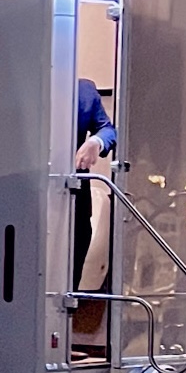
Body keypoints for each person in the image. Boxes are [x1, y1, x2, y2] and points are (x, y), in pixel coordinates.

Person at [72, 78, 117, 303]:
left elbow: (108, 130)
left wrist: (96, 142)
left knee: (71, 282)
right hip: (27, 200)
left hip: (75, 200)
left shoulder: (83, 90)